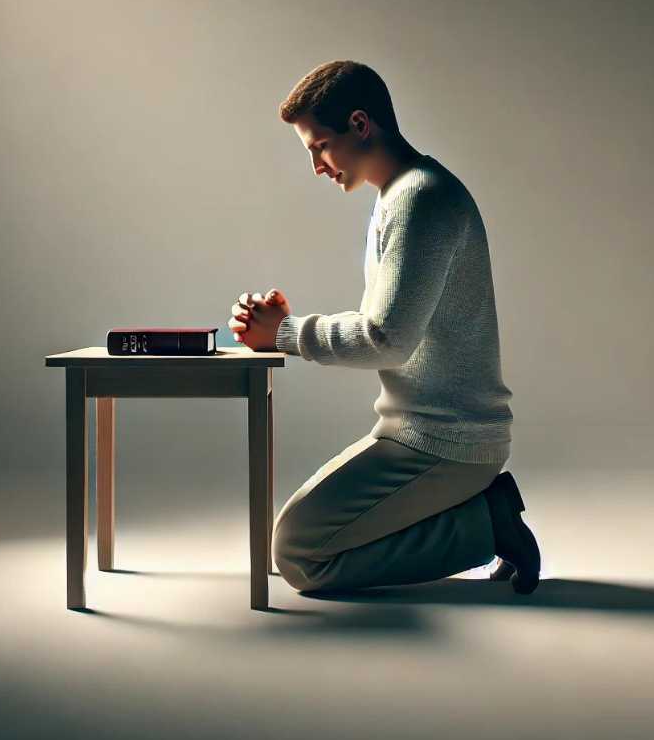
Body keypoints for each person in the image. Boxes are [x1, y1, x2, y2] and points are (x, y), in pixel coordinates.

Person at [228, 60, 541, 595]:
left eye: (319, 146)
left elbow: (388, 339)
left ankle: (487, 525)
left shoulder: (423, 198)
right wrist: (279, 326)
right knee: (296, 549)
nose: (317, 166)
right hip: (415, 432)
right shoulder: (396, 196)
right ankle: (482, 518)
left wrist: (283, 334)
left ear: (360, 124)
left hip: (448, 442)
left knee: (300, 557)